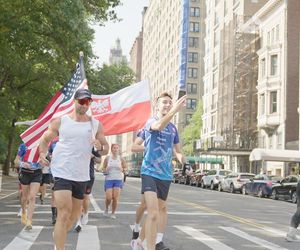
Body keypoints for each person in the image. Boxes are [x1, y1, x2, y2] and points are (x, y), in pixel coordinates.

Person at [38, 89, 109, 250]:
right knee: (63, 213)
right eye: (82, 101)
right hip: (61, 171)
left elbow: (106, 149)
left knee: (74, 215)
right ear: (75, 101)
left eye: (88, 102)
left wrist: (100, 147)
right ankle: (60, 246)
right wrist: (42, 154)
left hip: (81, 175)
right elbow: (44, 139)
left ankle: (58, 235)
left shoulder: (95, 124)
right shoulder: (60, 122)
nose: (85, 105)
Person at [131, 92, 187, 250]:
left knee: (160, 209)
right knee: (153, 213)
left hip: (165, 174)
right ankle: (152, 246)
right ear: (157, 105)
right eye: (164, 102)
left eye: (170, 102)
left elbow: (178, 151)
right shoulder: (151, 121)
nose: (168, 105)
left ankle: (138, 242)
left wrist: (185, 162)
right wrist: (174, 110)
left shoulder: (173, 129)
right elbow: (158, 126)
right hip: (149, 172)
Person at [14, 143, 43, 230]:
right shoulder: (23, 146)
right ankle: (23, 211)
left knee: (32, 197)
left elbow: (45, 158)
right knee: (24, 197)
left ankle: (29, 221)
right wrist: (23, 164)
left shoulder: (42, 145)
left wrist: (44, 162)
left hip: (37, 173)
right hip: (25, 172)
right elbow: (16, 161)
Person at [74, 148, 101, 232]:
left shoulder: (93, 147)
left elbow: (99, 160)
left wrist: (92, 156)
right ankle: (78, 221)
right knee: (77, 198)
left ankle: (85, 213)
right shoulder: (74, 144)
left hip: (89, 175)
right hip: (76, 174)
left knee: (85, 196)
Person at [102, 143, 127, 219]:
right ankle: (106, 208)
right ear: (111, 149)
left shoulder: (121, 159)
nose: (115, 149)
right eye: (114, 148)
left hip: (118, 179)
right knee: (109, 197)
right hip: (109, 179)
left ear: (118, 149)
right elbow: (103, 168)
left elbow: (125, 168)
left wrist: (122, 169)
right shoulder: (107, 158)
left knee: (115, 198)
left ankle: (113, 213)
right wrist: (105, 170)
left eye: (117, 148)